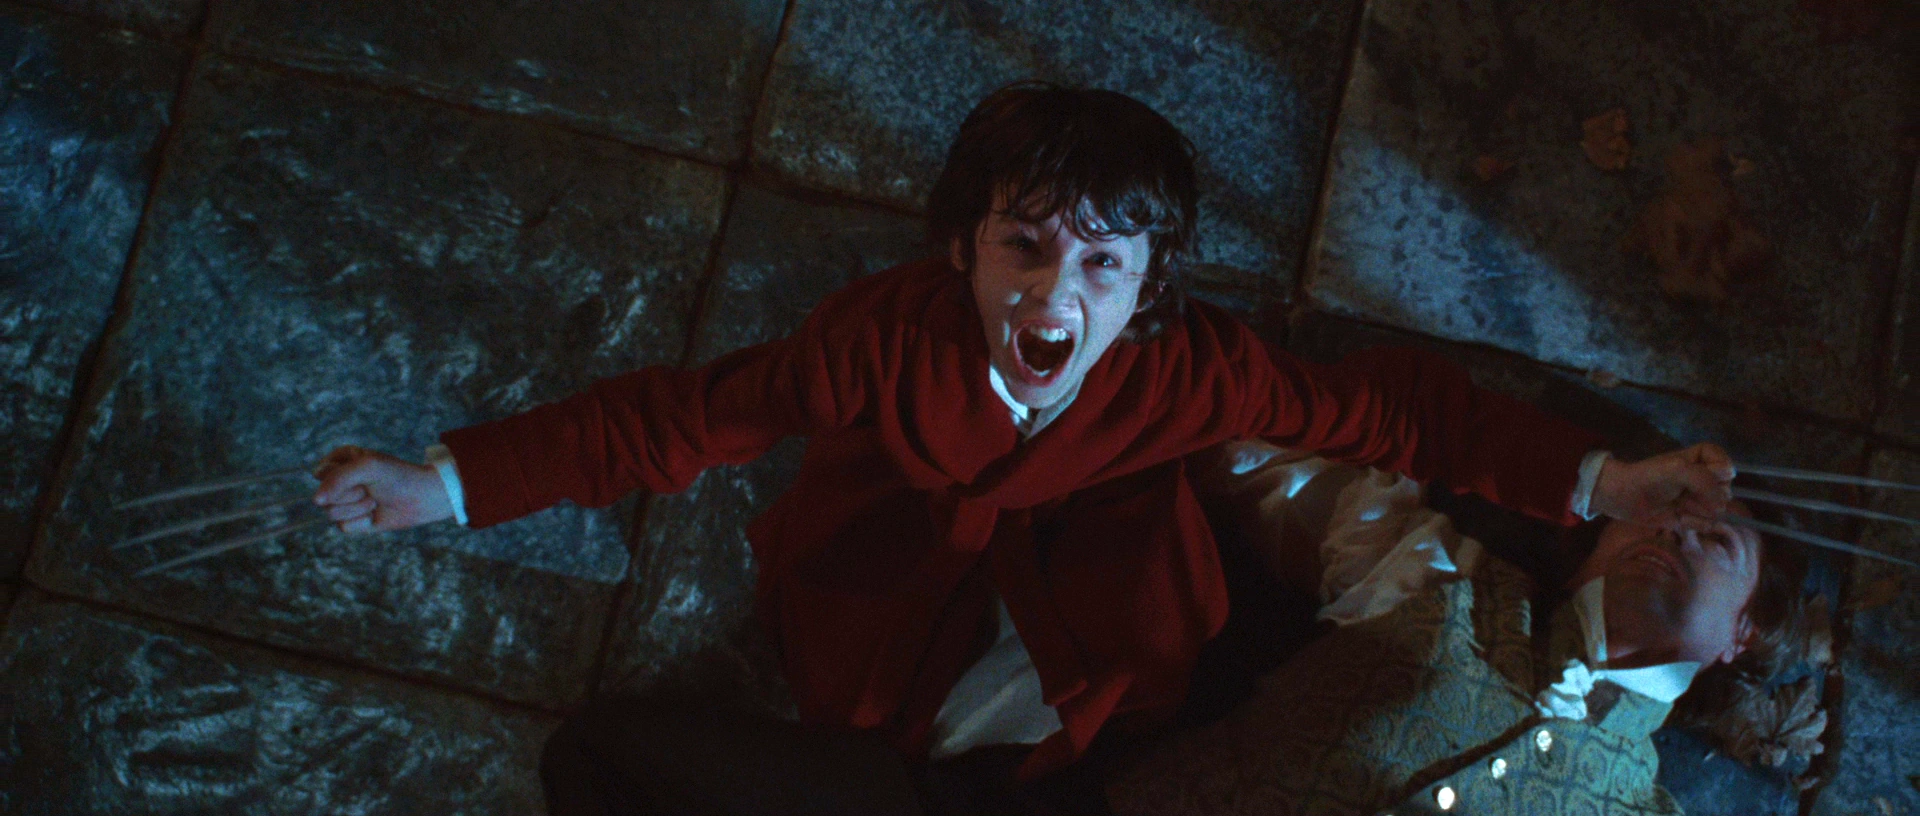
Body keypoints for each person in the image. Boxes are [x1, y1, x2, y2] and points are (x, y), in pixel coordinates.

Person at [309, 82, 1736, 814]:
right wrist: (448, 484)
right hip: (898, 589)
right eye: (1025, 247)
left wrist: (1599, 481)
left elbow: (1402, 415)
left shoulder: (1190, 370)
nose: (1058, 294)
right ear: (963, 250)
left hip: (1098, 623)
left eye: (1104, 265)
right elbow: (684, 418)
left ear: (1151, 289)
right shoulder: (888, 340)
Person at [1106, 442, 1807, 816]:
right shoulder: (1443, 579)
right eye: (1660, 510)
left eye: (1717, 540)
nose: (1676, 530)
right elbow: (1247, 453)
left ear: (1745, 633)